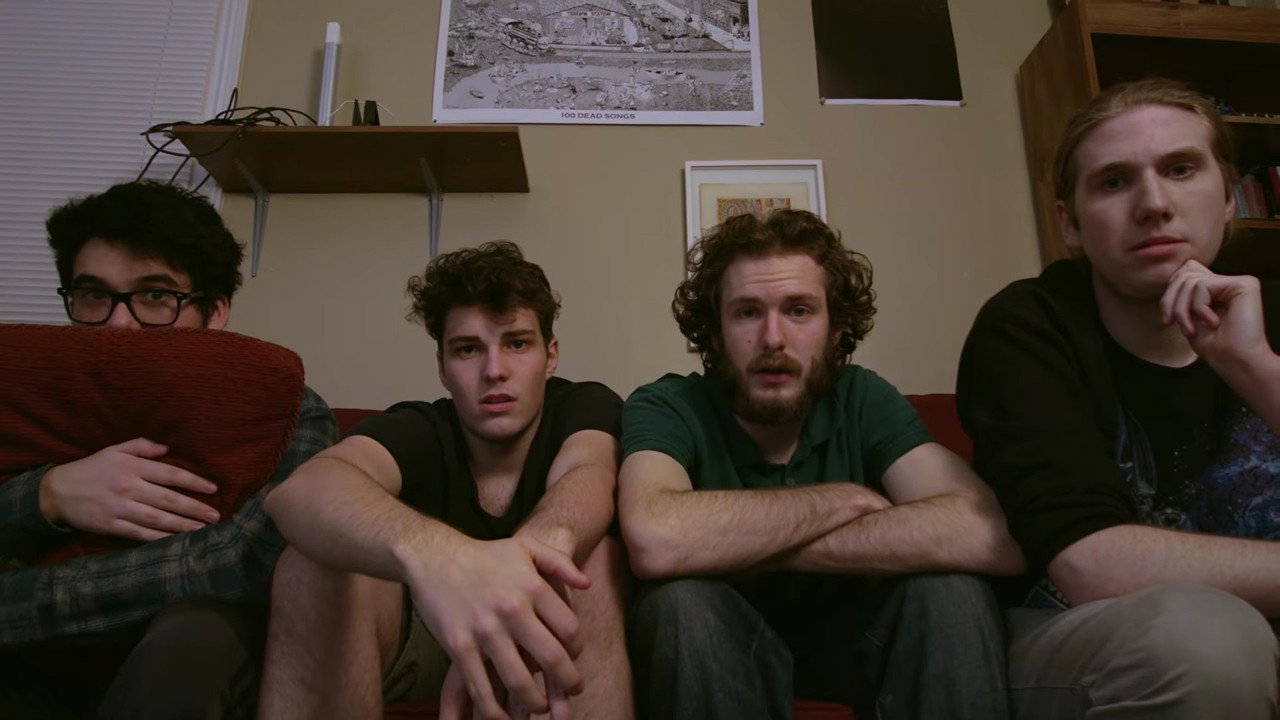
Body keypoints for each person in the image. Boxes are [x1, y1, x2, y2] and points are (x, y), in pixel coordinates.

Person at [620, 208, 1025, 720]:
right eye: (747, 312)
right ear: (715, 333)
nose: (773, 338)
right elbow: (656, 537)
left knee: (953, 593)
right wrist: (845, 501)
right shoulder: (669, 405)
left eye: (799, 310)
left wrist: (750, 545)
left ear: (835, 330)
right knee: (679, 605)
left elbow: (990, 534)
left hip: (856, 644)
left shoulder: (862, 398)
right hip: (719, 642)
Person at [957, 78, 1280, 719]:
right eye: (1113, 181)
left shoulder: (1268, 311)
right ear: (1069, 224)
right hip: (1088, 629)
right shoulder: (1029, 325)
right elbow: (1090, 563)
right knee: (1205, 641)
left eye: (1181, 169)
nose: (1154, 204)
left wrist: (1255, 368)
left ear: (1228, 198)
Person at [0, 180, 337, 719]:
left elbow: (242, 563)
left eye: (155, 296)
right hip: (35, 663)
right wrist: (47, 496)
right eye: (93, 296)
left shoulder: (286, 406)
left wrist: (17, 602)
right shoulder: (30, 396)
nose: (118, 324)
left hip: (185, 651)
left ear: (215, 312)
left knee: (196, 636)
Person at [258, 241, 632, 720]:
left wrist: (511, 588)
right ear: (442, 366)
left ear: (550, 354)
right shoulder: (421, 428)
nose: (494, 371)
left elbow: (588, 472)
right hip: (424, 631)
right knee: (307, 566)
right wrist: (438, 558)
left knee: (591, 564)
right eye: (468, 349)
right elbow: (301, 492)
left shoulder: (584, 406)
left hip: (545, 625)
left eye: (517, 343)